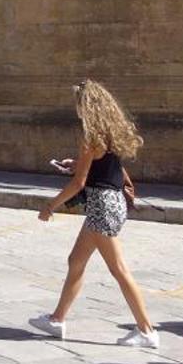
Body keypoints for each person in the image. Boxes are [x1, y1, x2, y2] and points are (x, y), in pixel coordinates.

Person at [29, 81, 161, 349]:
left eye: (78, 103)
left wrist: (50, 206)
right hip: (111, 203)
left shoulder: (90, 136)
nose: (76, 109)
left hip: (102, 205)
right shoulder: (108, 133)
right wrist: (76, 164)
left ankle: (146, 331)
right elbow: (101, 167)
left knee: (119, 269)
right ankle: (57, 319)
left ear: (86, 107)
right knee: (76, 260)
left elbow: (79, 184)